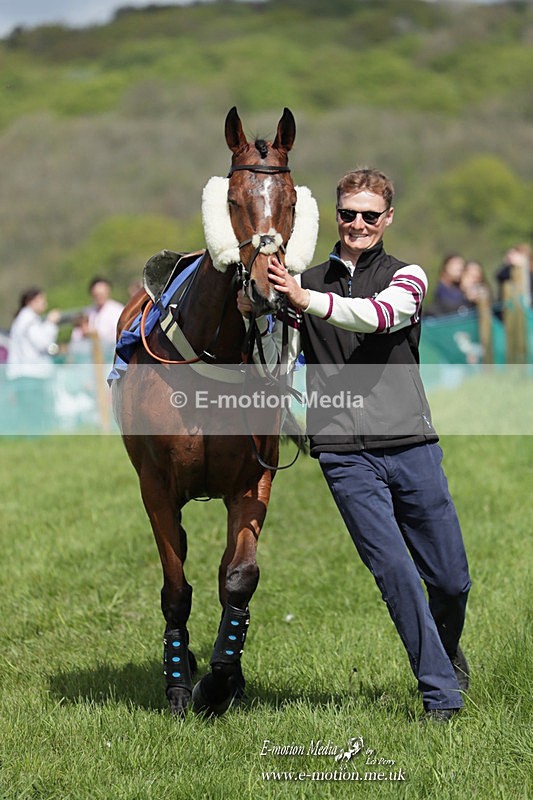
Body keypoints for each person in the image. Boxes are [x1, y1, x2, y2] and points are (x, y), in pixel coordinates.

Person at [238, 168, 471, 722]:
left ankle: (443, 650)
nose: (358, 224)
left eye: (370, 214)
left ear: (388, 218)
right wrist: (260, 296)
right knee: (394, 571)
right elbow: (265, 327)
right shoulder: (305, 279)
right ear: (336, 216)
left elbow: (379, 317)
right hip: (344, 453)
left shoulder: (407, 277)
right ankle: (441, 694)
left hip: (411, 443)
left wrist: (305, 298)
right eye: (348, 213)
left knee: (451, 580)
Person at [6, 287, 61, 434]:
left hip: (24, 374)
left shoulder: (22, 319)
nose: (45, 303)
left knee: (28, 414)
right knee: (35, 415)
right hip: (32, 374)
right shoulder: (29, 320)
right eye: (42, 300)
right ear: (31, 301)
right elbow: (43, 342)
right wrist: (50, 323)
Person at [70, 277, 124, 360]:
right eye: (97, 295)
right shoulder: (88, 312)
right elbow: (76, 337)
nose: (99, 297)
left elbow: (120, 337)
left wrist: (97, 335)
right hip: (90, 358)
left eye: (102, 294)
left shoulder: (118, 311)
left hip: (112, 357)